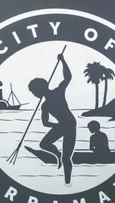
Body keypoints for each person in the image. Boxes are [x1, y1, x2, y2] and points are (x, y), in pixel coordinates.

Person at [28, 53, 77, 185]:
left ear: (40, 89)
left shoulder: (58, 92)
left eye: (33, 91)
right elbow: (45, 123)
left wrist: (63, 61)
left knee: (67, 157)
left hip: (70, 125)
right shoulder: (45, 106)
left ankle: (68, 183)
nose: (33, 94)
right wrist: (55, 126)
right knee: (44, 144)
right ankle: (57, 154)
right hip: (61, 125)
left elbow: (68, 77)